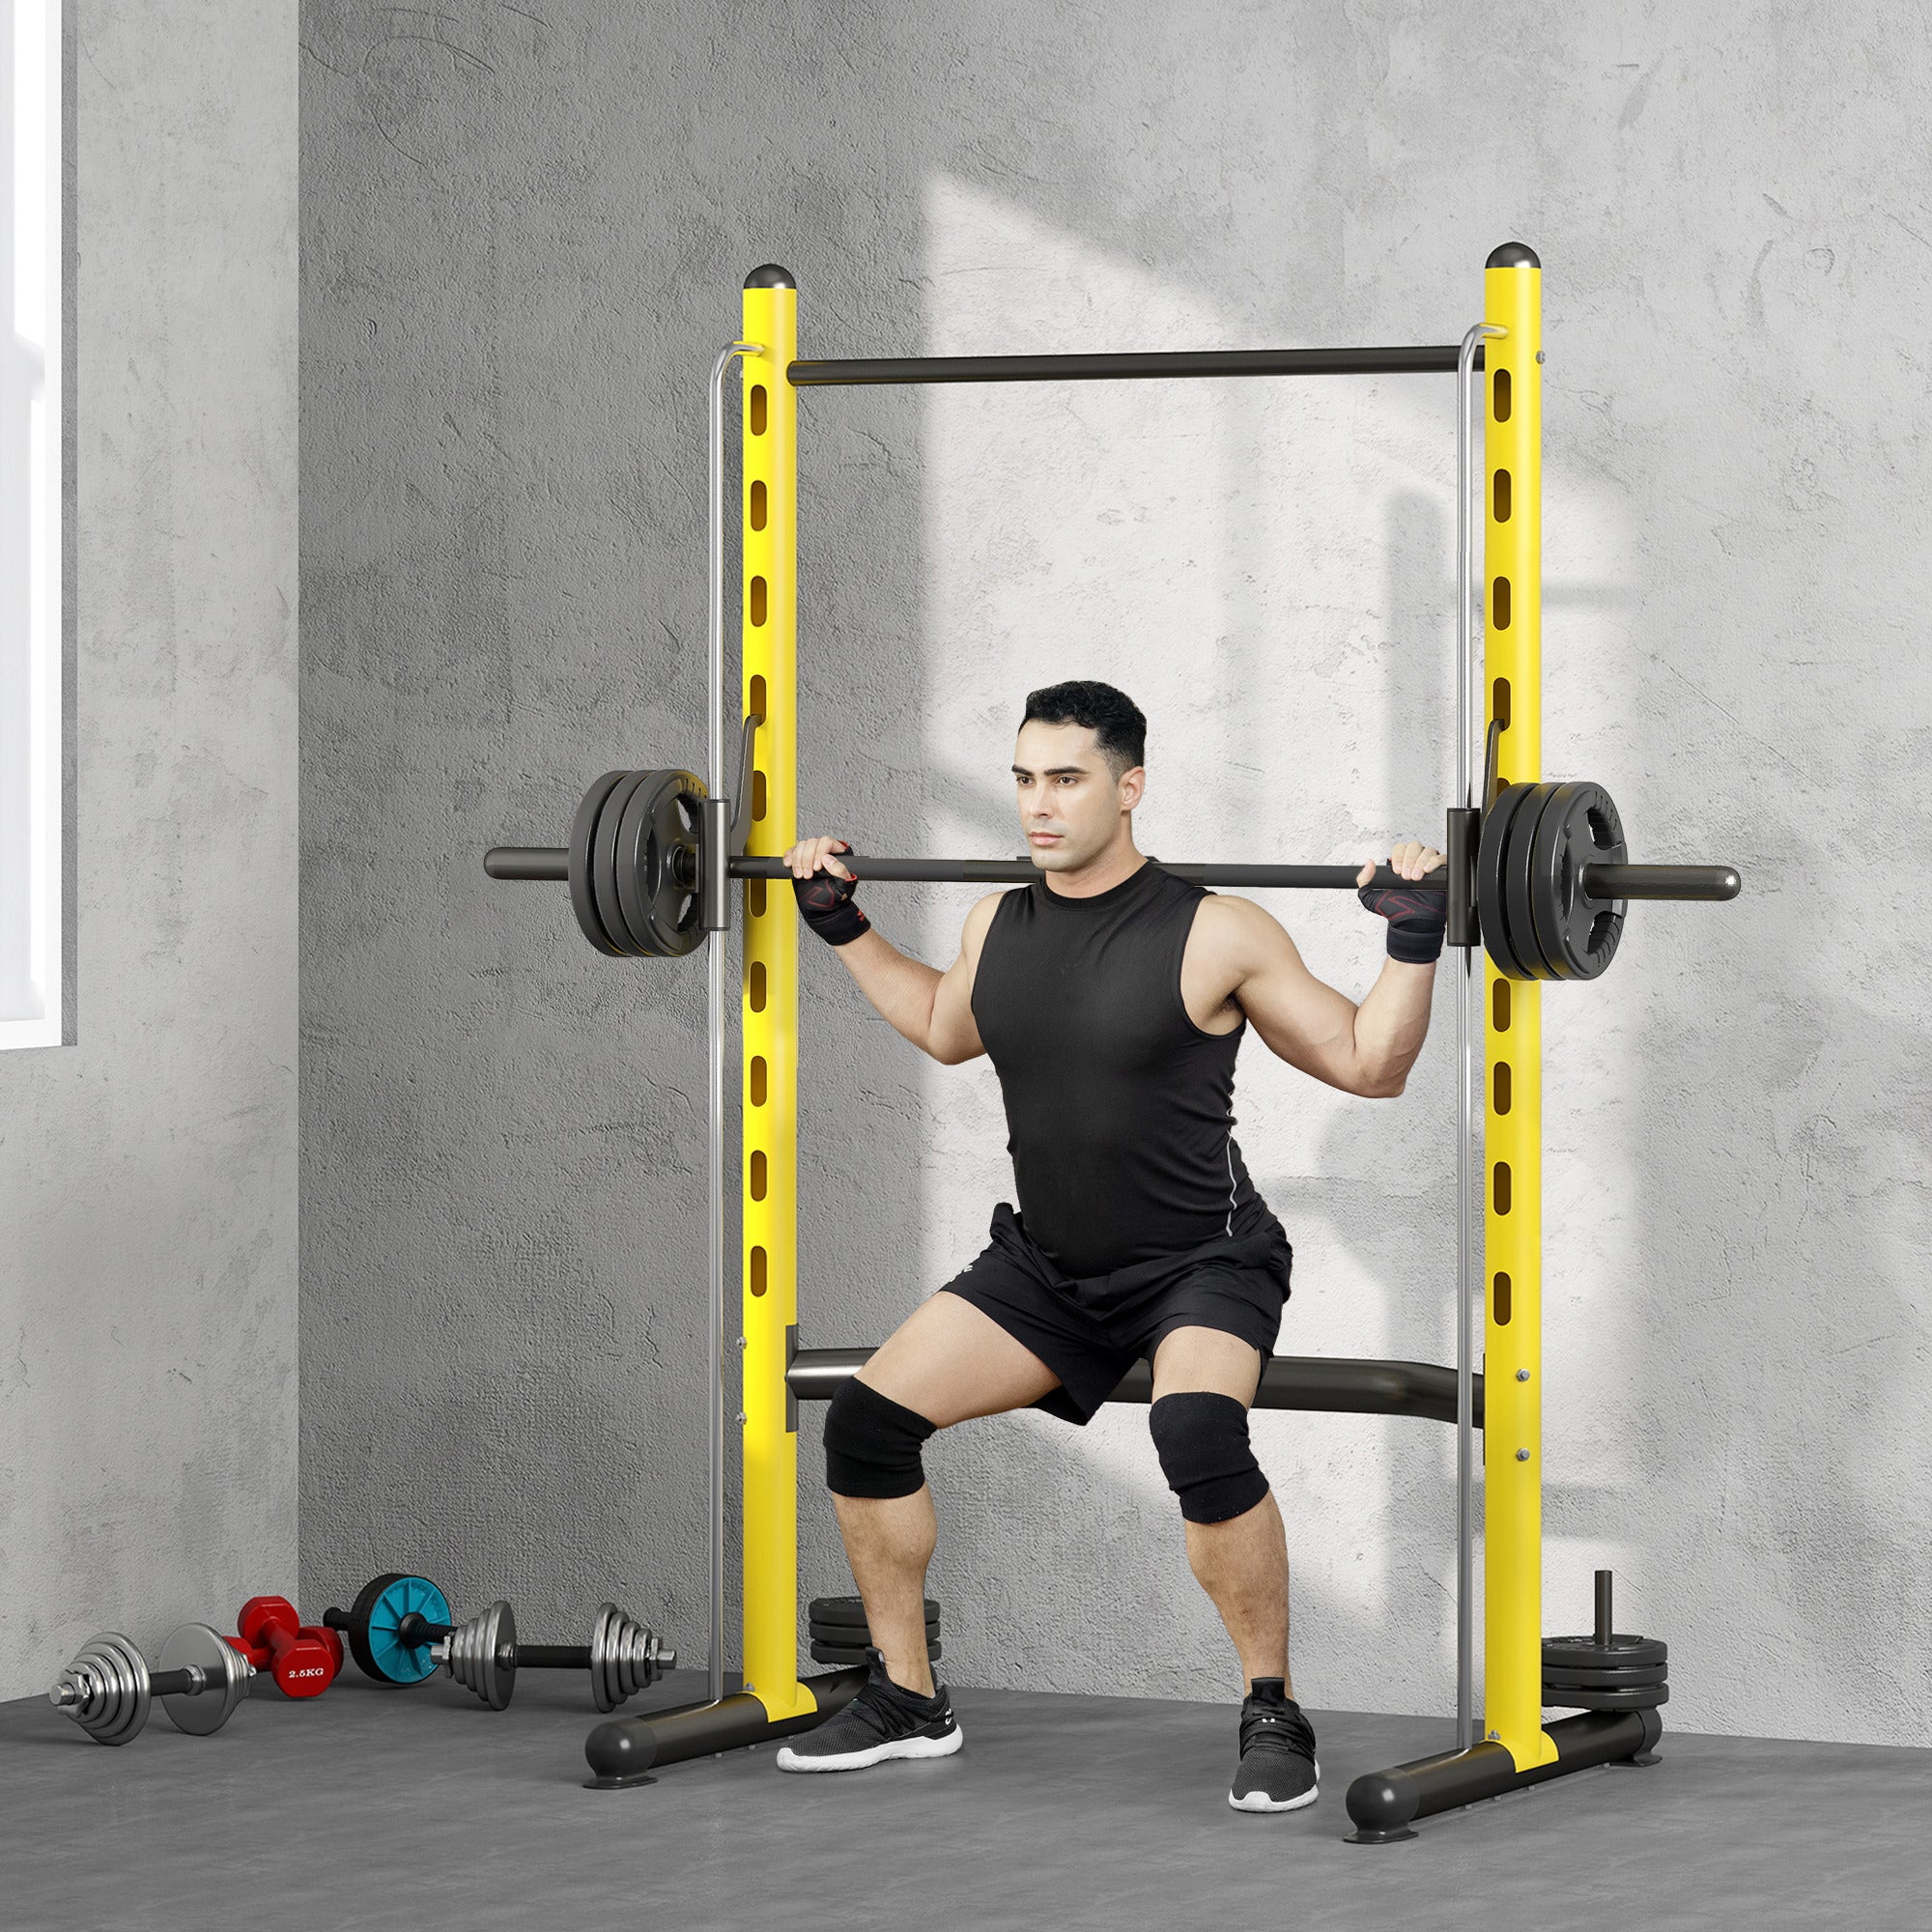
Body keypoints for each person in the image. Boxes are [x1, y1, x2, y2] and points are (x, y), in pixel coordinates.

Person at [771, 680, 1446, 1812]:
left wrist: (1414, 939)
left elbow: (1369, 1064)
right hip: (1046, 1267)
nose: (1038, 805)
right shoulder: (999, 919)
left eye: (1067, 779)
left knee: (1194, 1426)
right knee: (868, 1421)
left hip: (1200, 1263)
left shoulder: (1216, 927)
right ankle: (907, 1695)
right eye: (1025, 780)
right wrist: (840, 924)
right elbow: (946, 1030)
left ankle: (1271, 1703)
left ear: (1128, 787)